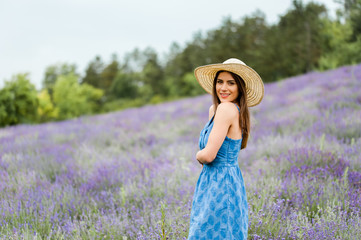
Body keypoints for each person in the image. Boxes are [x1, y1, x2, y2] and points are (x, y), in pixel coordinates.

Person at [188, 58, 264, 240]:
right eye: (220, 82)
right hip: (213, 181)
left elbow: (208, 155)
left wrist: (198, 154)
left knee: (212, 233)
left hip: (221, 183)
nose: (223, 88)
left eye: (231, 83)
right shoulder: (217, 109)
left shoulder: (227, 109)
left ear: (240, 87)